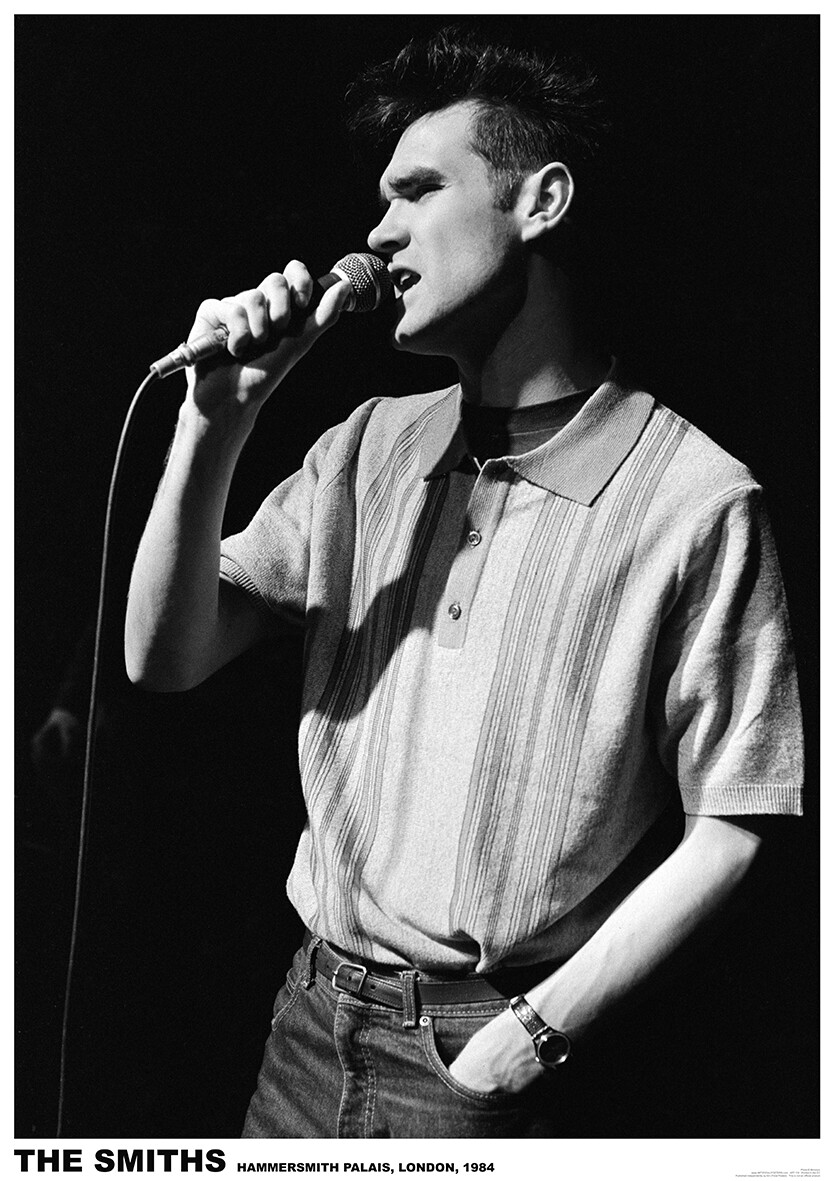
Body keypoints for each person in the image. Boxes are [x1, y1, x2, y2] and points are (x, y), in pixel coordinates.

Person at [124, 28, 804, 1138]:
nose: (378, 231)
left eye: (420, 190)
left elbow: (742, 819)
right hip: (311, 1023)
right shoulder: (365, 447)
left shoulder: (695, 498)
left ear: (542, 201)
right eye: (380, 202)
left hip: (486, 1053)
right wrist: (214, 423)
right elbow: (162, 656)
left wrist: (531, 1035)